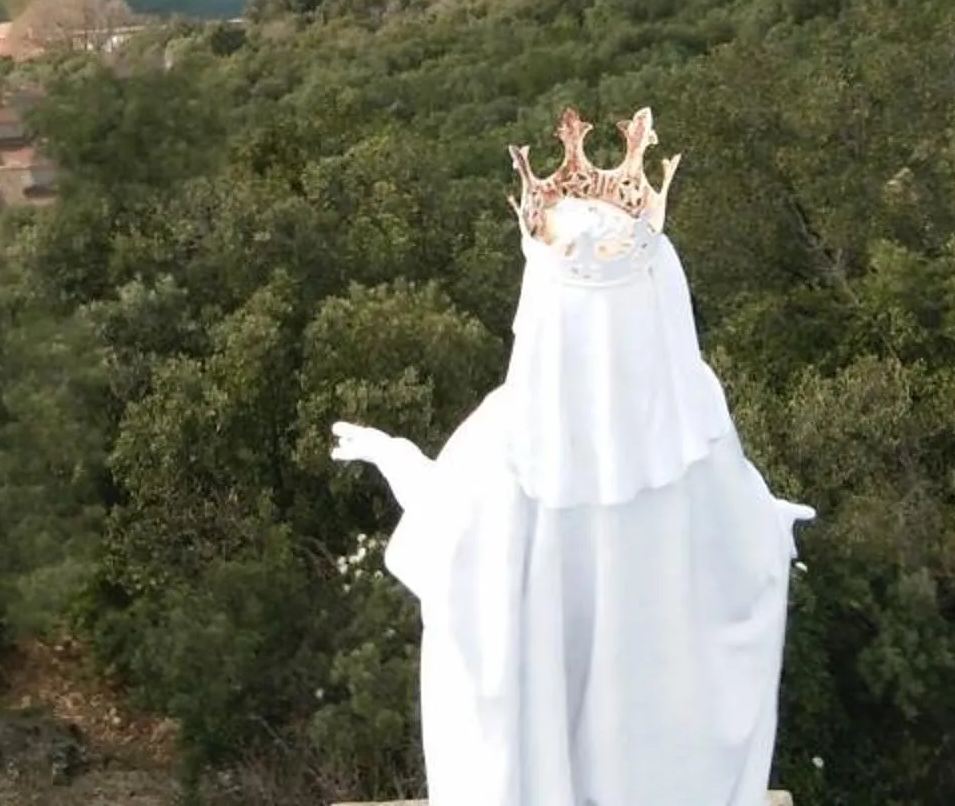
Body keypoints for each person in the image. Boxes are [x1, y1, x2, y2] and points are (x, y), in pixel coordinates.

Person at [334, 108, 812, 806]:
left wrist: (400, 460)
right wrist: (774, 526)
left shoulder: (509, 439)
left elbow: (453, 558)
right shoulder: (692, 427)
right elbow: (741, 567)